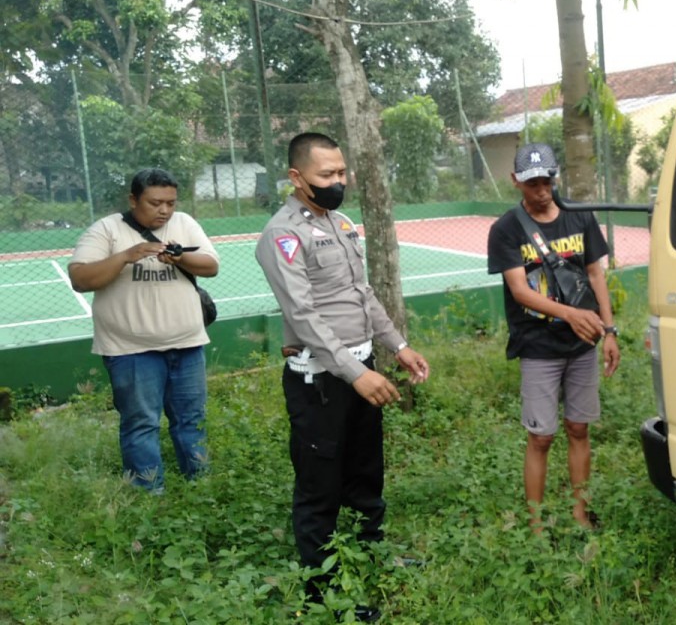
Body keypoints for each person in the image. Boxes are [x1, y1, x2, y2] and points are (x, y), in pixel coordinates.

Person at [255, 132, 429, 619]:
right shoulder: (282, 234)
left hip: (361, 369)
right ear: (297, 177)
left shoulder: (341, 223)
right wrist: (355, 373)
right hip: (322, 382)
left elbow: (363, 293)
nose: (338, 182)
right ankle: (325, 593)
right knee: (320, 487)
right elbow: (304, 314)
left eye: (342, 172)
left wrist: (398, 345)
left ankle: (371, 556)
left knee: (364, 472)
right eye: (326, 175)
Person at [486, 142, 621, 530]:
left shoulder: (580, 218)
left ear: (555, 176)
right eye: (532, 183)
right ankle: (536, 523)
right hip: (538, 346)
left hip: (583, 345)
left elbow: (596, 274)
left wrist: (608, 330)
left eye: (546, 181)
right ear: (516, 181)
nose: (541, 190)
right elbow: (520, 290)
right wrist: (571, 314)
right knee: (540, 437)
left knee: (579, 428)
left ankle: (581, 512)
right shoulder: (507, 229)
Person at [68, 167, 219, 492]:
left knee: (192, 421)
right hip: (130, 351)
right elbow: (80, 279)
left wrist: (180, 259)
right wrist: (126, 256)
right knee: (141, 425)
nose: (164, 210)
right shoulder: (106, 230)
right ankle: (149, 495)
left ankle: (201, 487)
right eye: (154, 203)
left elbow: (211, 266)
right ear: (133, 199)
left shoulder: (185, 224)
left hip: (187, 345)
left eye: (170, 203)